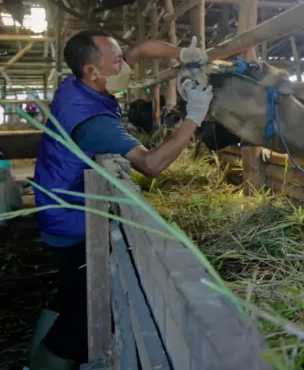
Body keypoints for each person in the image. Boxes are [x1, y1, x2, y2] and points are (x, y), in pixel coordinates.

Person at [26, 29, 213, 370]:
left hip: (54, 207)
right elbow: (152, 165)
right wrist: (194, 117)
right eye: (117, 62)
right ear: (92, 72)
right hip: (73, 223)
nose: (125, 65)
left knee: (69, 293)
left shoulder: (77, 84)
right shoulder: (93, 122)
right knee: (82, 318)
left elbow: (141, 46)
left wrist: (183, 54)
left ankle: (31, 360)